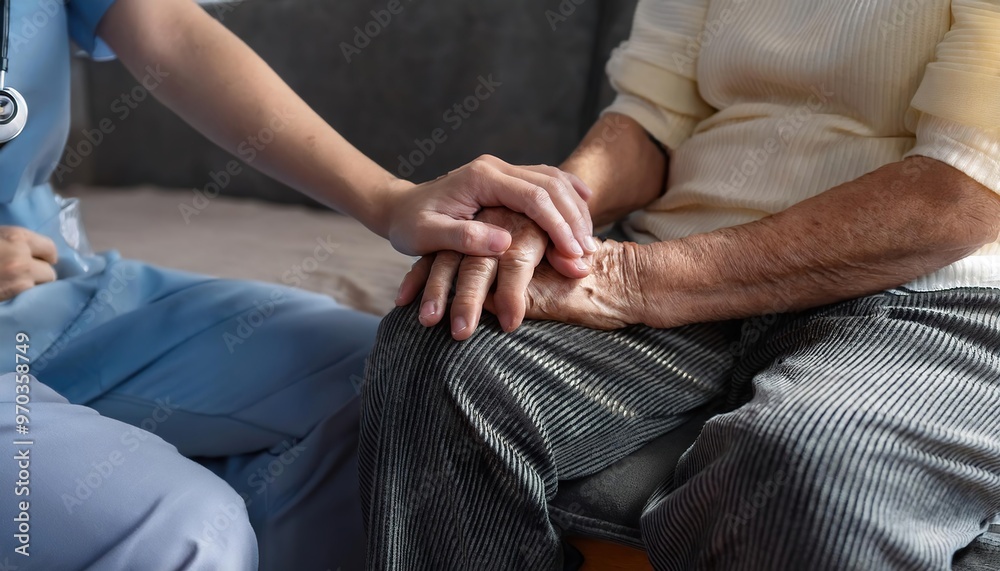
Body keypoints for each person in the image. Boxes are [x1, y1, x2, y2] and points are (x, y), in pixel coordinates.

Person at [360, 0, 1000, 569]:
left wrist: (632, 279)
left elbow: (960, 193)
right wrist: (548, 211)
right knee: (442, 341)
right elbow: (652, 118)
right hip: (679, 254)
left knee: (813, 467)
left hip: (929, 293)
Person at [0, 0, 599, 569]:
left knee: (408, 394)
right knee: (182, 533)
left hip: (52, 287)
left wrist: (391, 201)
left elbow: (166, 29)